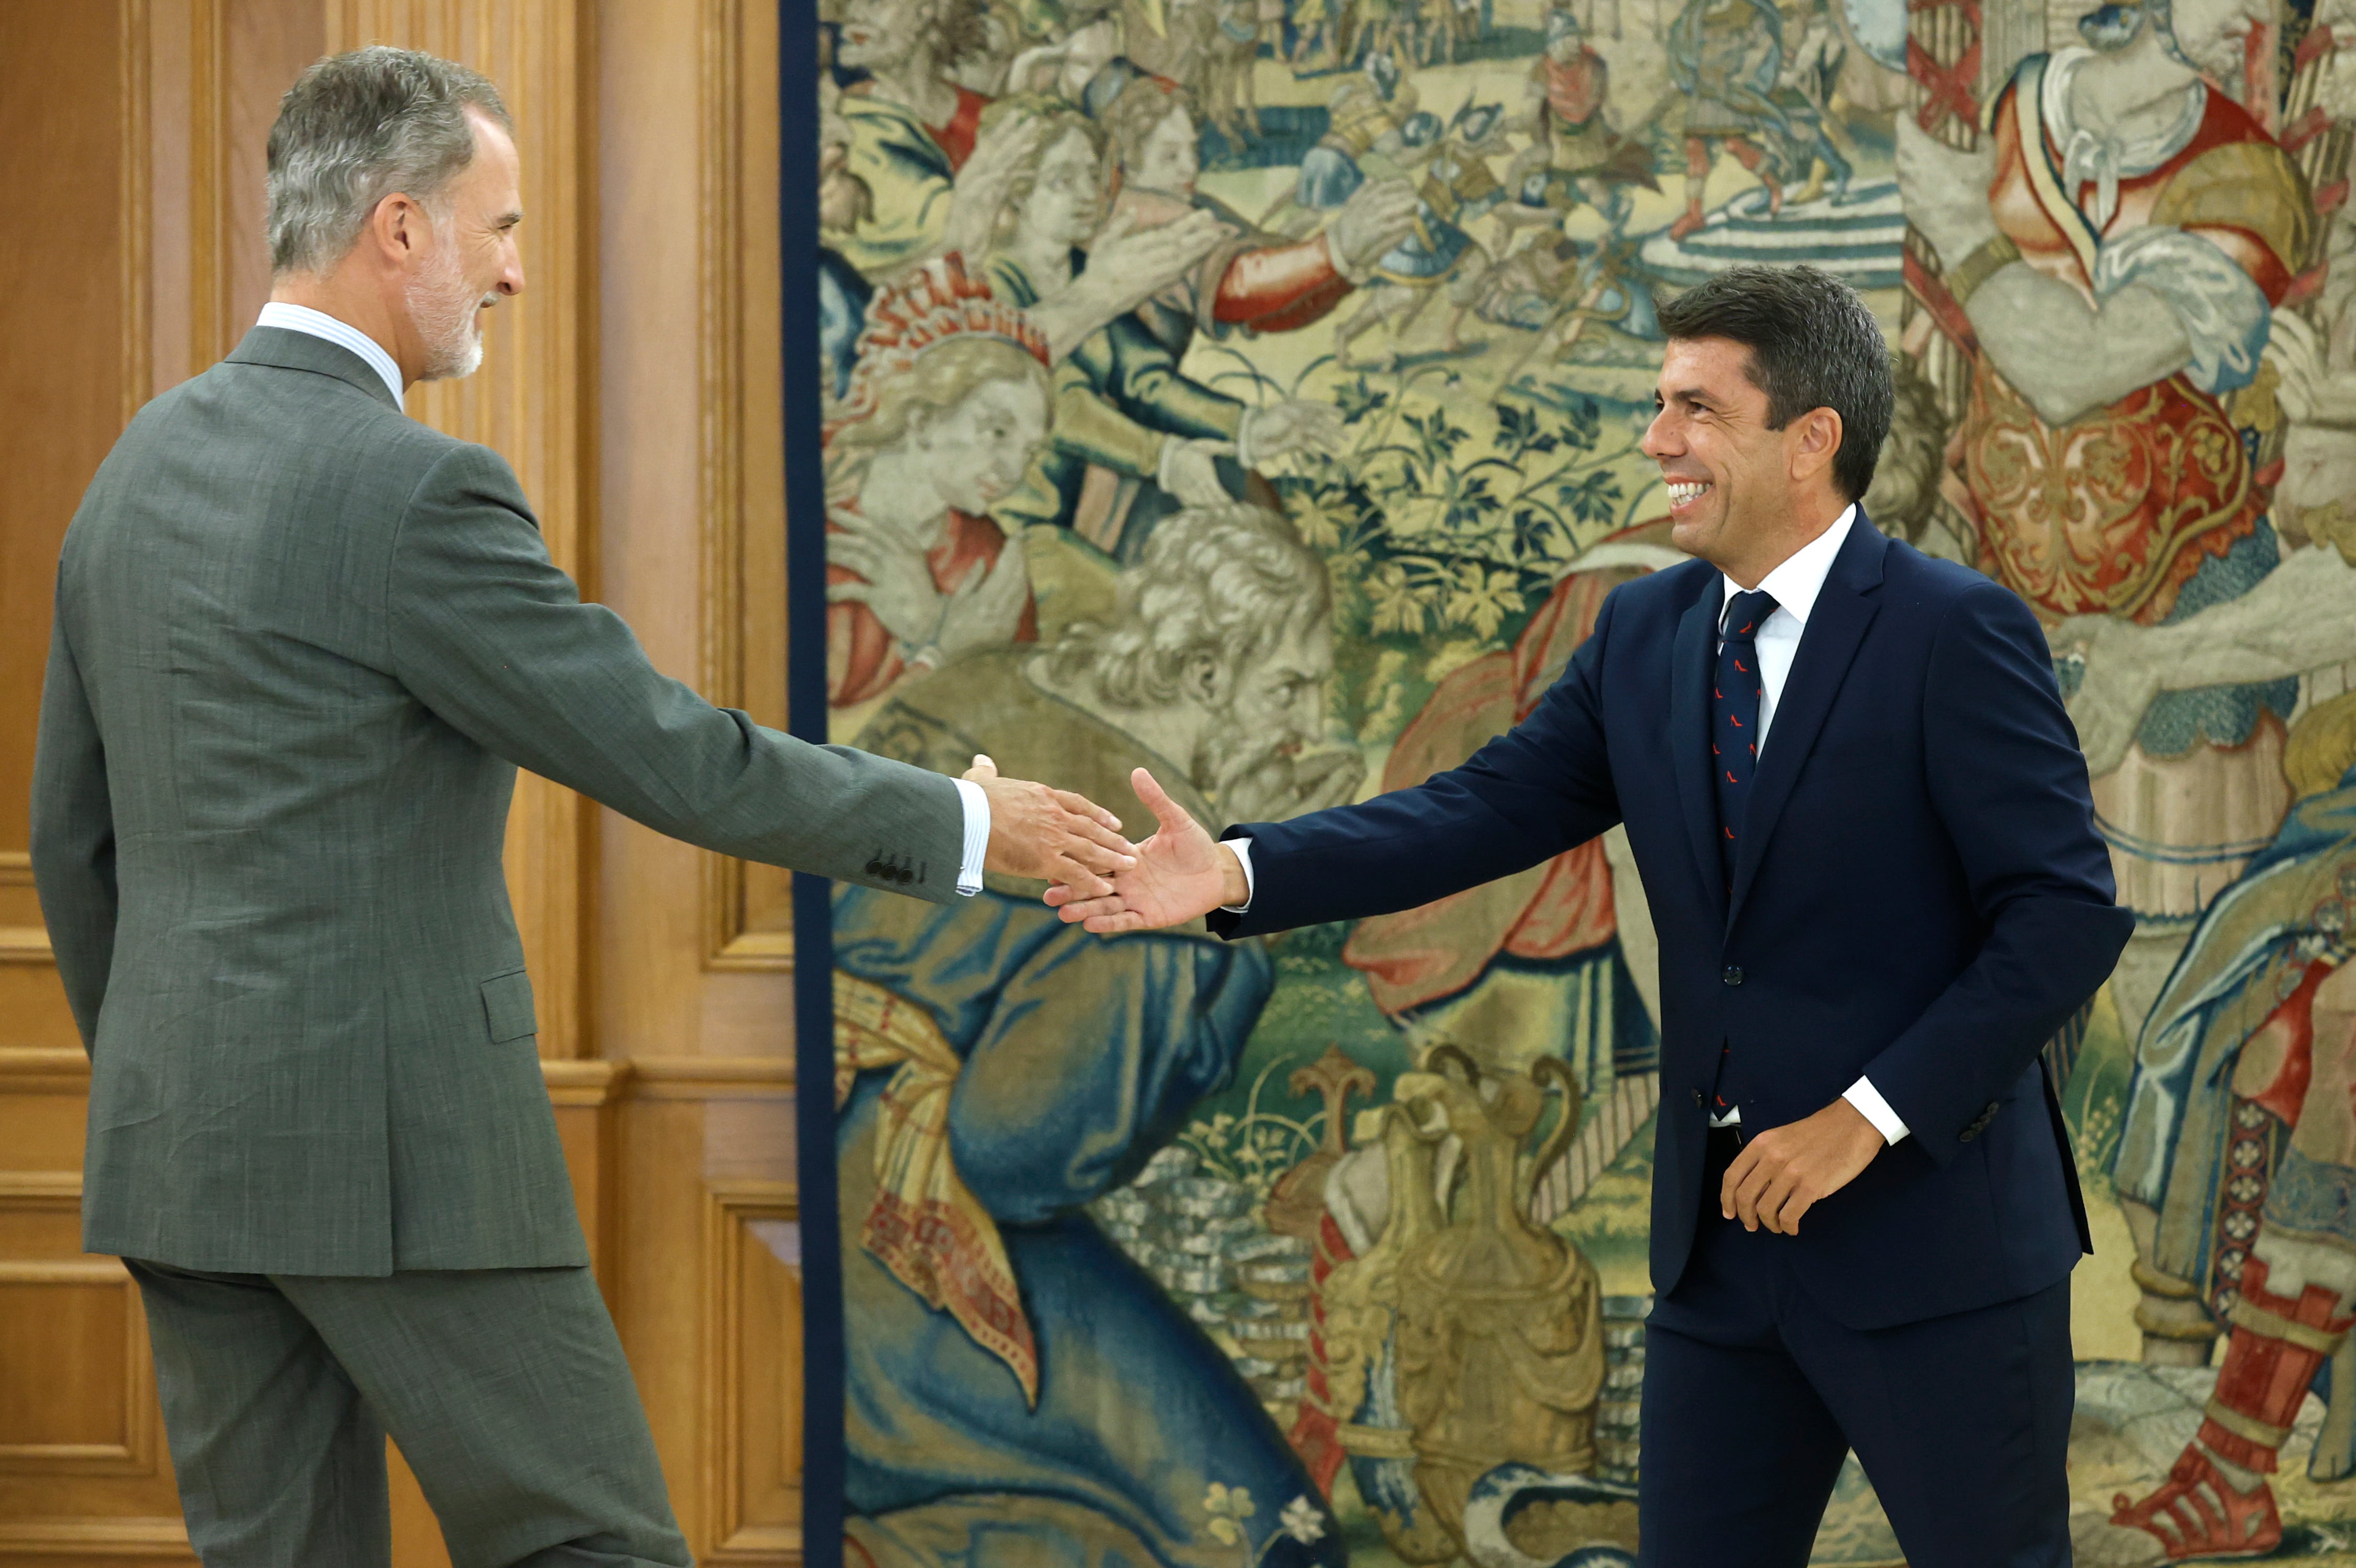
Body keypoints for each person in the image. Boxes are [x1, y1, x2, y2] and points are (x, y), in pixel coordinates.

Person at [28, 48, 1132, 1568]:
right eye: (500, 230)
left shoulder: (130, 473)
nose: (520, 272)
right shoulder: (416, 493)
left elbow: (73, 846)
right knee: (591, 1547)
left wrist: (173, 1070)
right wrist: (964, 825)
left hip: (179, 1151)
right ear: (400, 227)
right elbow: (673, 754)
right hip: (400, 1162)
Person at [1051, 265, 2134, 1566]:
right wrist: (1236, 873)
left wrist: (1866, 1118)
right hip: (1718, 1269)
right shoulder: (1643, 634)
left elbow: (2063, 915)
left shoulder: (1955, 632)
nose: (1655, 439)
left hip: (1938, 1257)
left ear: (1811, 441)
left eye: (1693, 410)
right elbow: (1472, 813)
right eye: (1656, 403)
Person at [830, 503, 1357, 1567]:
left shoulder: (982, 687)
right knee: (1266, 1536)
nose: (1313, 722)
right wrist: (1230, 906)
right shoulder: (1145, 857)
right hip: (902, 1244)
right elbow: (1021, 1151)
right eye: (1289, 688)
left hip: (808, 1159)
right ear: (1206, 675)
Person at [823, 254, 1049, 710]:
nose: (1012, 470)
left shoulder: (989, 562)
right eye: (997, 431)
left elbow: (1012, 730)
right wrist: (939, 650)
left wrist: (929, 628)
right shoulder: (825, 542)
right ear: (923, 419)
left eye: (1028, 450)